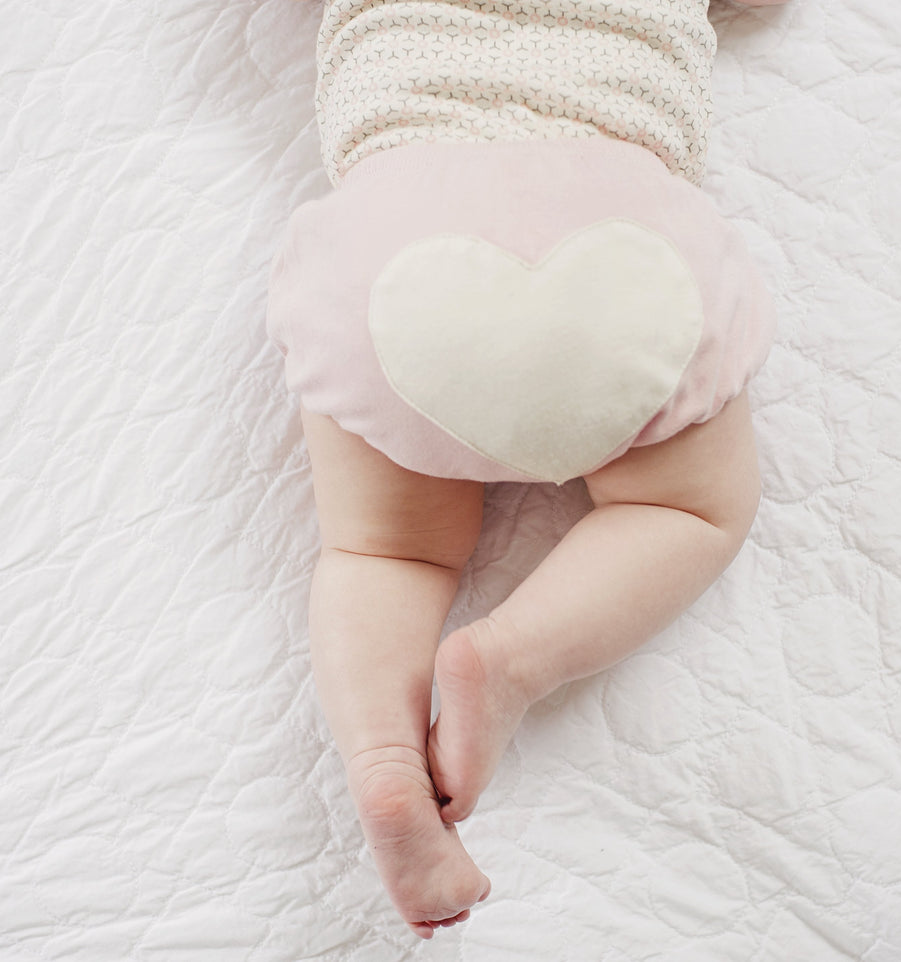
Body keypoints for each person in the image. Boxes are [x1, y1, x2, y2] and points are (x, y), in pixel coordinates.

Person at [266, 0, 786, 938]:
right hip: (620, 223)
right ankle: (503, 663)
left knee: (383, 553)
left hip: (397, 230)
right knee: (689, 511)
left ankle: (385, 756)